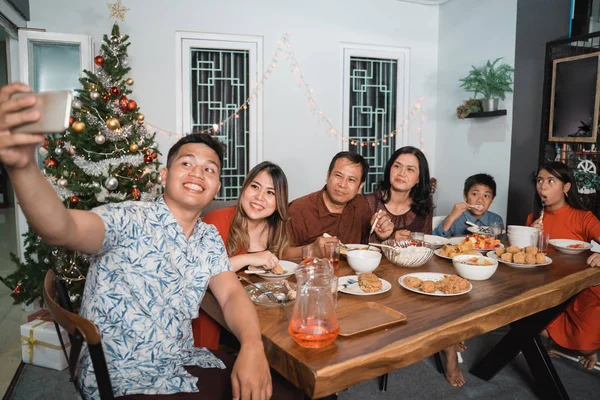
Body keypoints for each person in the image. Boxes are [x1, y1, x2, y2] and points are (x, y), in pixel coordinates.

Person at [0, 81, 289, 399]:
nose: (197, 173)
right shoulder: (128, 218)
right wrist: (23, 166)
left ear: (217, 188)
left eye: (209, 169)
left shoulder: (207, 236)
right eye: (186, 163)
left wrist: (252, 344)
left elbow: (232, 294)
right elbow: (61, 227)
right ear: (165, 176)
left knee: (278, 383)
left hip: (177, 364)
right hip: (123, 381)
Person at [192, 161, 290, 350]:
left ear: (279, 202)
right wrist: (250, 258)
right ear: (244, 187)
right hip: (216, 322)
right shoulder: (216, 221)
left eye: (270, 192)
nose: (260, 197)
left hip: (261, 317)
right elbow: (199, 272)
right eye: (255, 187)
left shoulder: (276, 228)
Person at [527, 161, 600, 370]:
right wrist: (530, 236)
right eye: (540, 181)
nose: (543, 186)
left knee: (586, 345)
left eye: (551, 181)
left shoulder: (583, 217)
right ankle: (556, 341)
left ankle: (581, 348)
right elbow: (524, 258)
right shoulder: (534, 218)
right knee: (521, 319)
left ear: (566, 187)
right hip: (546, 286)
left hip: (582, 289)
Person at [283, 151, 394, 259]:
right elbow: (281, 253)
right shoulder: (298, 209)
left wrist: (381, 236)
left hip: (351, 276)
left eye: (351, 180)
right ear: (328, 175)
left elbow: (366, 248)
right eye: (338, 175)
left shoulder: (361, 205)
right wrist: (311, 249)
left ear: (360, 186)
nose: (342, 184)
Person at [365, 146, 433, 241]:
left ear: (419, 178)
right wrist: (391, 240)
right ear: (389, 170)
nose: (402, 173)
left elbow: (425, 247)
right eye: (397, 166)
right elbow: (357, 248)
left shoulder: (423, 205)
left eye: (410, 169)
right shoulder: (368, 203)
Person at [433, 173, 504, 237]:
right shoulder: (456, 218)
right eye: (475, 194)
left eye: (486, 196)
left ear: (492, 200)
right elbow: (435, 239)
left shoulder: (496, 220)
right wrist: (451, 217)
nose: (480, 200)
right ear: (465, 196)